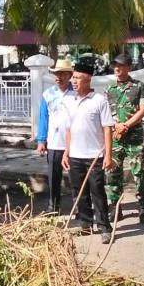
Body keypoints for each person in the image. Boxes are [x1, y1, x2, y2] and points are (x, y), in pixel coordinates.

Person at [62, 63, 115, 244]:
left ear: (88, 79)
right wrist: (66, 152)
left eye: (77, 78)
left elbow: (108, 129)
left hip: (95, 156)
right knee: (79, 191)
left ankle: (104, 227)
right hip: (75, 155)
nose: (73, 81)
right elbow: (68, 129)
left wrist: (108, 155)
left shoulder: (99, 100)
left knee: (97, 192)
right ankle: (85, 223)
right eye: (73, 78)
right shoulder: (70, 100)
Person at [104, 54, 144, 223]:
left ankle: (143, 206)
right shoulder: (109, 89)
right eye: (115, 65)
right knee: (112, 173)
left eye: (121, 65)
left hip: (134, 139)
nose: (117, 68)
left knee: (140, 173)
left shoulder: (139, 86)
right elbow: (105, 112)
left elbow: (143, 109)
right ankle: (115, 207)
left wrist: (126, 125)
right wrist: (116, 126)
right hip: (115, 139)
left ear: (129, 67)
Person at [36, 58, 75, 214]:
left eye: (62, 74)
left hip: (73, 144)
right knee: (53, 177)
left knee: (75, 178)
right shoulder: (48, 94)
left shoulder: (76, 93)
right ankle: (53, 206)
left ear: (69, 75)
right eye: (56, 74)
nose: (59, 77)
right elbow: (43, 118)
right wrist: (41, 140)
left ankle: (79, 206)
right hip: (54, 143)